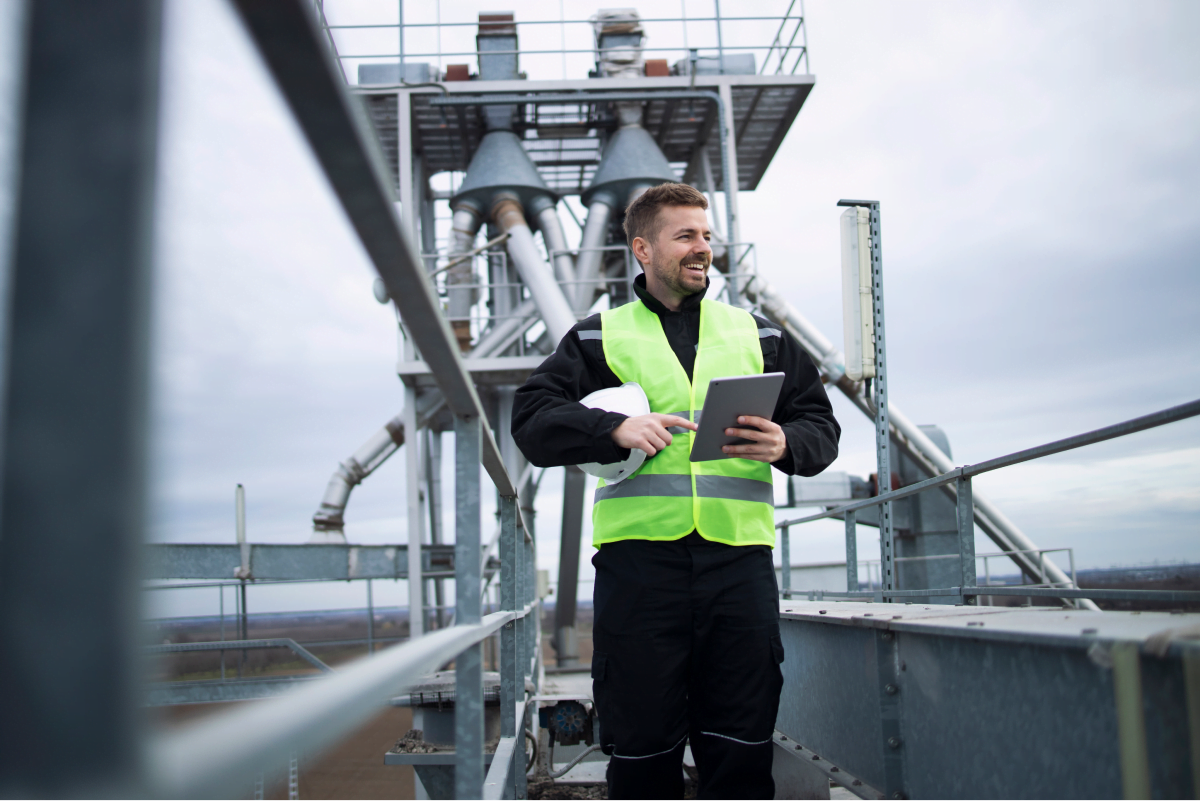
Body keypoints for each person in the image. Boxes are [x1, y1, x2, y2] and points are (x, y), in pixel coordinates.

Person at [511, 183, 840, 800]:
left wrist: (786, 444)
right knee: (641, 753)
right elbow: (531, 420)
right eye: (685, 236)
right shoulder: (598, 337)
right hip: (640, 573)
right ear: (643, 247)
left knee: (741, 748)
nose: (702, 249)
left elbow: (821, 426)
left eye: (707, 237)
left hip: (738, 568)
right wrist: (613, 428)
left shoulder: (758, 335)